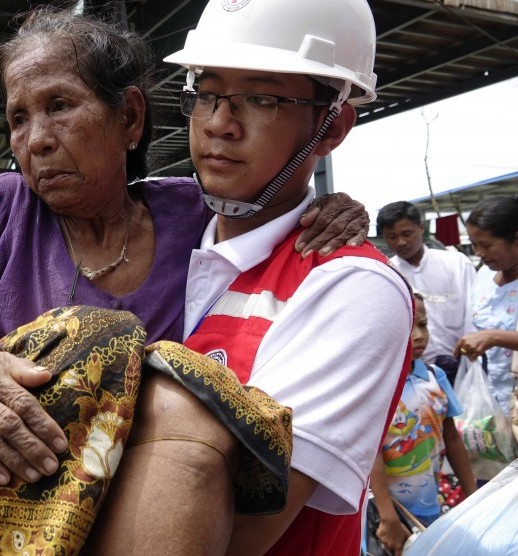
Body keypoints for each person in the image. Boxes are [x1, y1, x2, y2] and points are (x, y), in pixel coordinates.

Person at [0, 7, 371, 554]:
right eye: (19, 118)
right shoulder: (4, 211)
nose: (37, 140)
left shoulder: (194, 214)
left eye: (60, 106)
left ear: (130, 118)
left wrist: (334, 209)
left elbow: (273, 202)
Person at [161, 0, 414, 553]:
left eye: (262, 97)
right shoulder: (154, 236)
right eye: (206, 93)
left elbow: (231, 532)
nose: (219, 124)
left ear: (333, 126)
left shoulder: (350, 288)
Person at [369, 293, 477, 555]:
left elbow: (452, 440)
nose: (418, 335)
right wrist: (387, 515)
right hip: (394, 512)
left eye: (423, 325)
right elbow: (372, 454)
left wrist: (474, 498)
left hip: (433, 501)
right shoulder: (377, 385)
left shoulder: (434, 376)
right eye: (408, 327)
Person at [378, 201, 476, 383]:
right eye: (392, 236)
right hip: (415, 373)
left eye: (407, 234)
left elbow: (473, 311)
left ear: (421, 228)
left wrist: (470, 358)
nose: (401, 242)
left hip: (461, 362)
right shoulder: (387, 273)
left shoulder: (456, 263)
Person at [454, 196, 518, 419]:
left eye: (487, 245)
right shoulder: (484, 275)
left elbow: (491, 335)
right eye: (474, 244)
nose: (479, 253)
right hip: (488, 397)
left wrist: (494, 337)